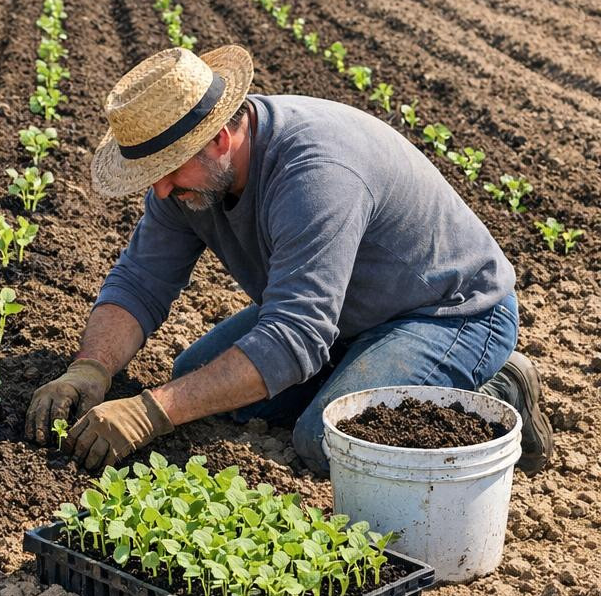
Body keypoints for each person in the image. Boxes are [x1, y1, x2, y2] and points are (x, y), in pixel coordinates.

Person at [27, 45, 551, 476]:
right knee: (195, 375)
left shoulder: (317, 173)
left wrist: (153, 412)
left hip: (449, 312)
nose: (159, 190)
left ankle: (493, 385)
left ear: (221, 138)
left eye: (170, 169)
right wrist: (88, 370)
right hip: (344, 314)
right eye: (151, 174)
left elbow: (295, 335)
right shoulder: (184, 186)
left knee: (329, 440)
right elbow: (141, 281)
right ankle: (361, 373)